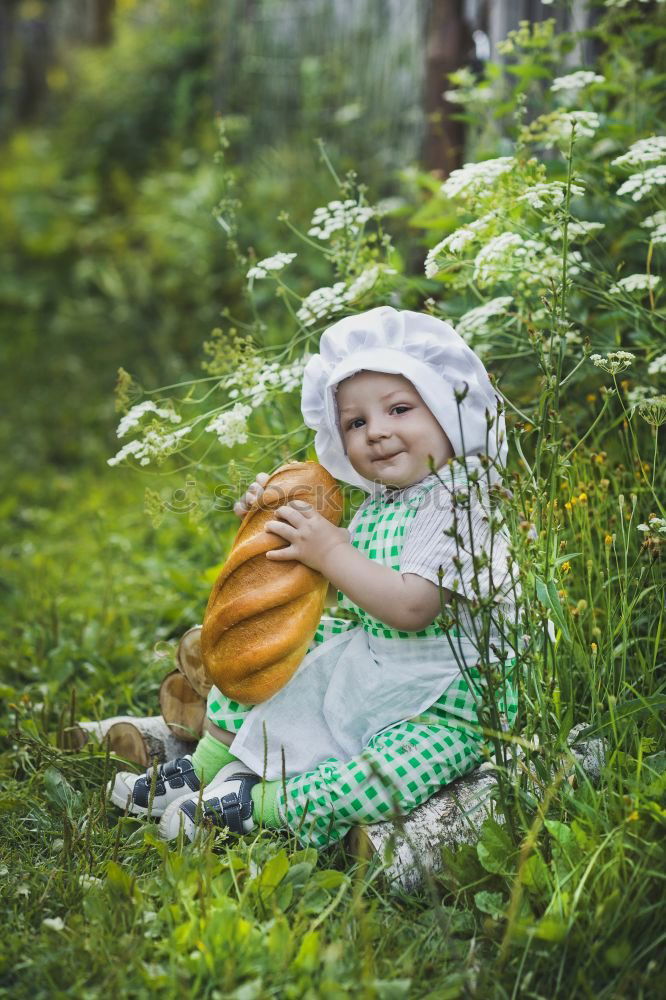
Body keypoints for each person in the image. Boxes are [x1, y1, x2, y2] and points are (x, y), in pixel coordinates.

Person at [108, 306, 520, 847]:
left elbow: (414, 606)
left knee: (386, 777)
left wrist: (328, 551)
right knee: (269, 651)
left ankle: (255, 804)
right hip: (375, 662)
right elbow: (343, 567)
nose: (377, 432)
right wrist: (276, 518)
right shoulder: (384, 503)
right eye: (356, 422)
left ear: (446, 410)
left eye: (399, 408)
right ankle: (207, 764)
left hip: (449, 701)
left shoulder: (463, 500)